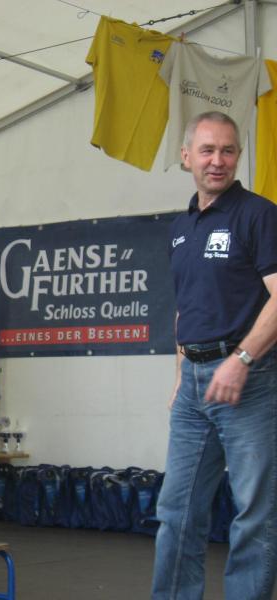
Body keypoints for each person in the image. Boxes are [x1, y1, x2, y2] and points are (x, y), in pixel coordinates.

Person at [151, 111, 277, 599]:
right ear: (187, 157)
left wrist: (241, 361)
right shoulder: (181, 228)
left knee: (255, 514)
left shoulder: (259, 215)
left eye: (227, 150)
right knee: (176, 512)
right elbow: (187, 309)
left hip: (251, 381)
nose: (217, 160)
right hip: (194, 388)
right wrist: (181, 375)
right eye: (207, 150)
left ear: (238, 156)